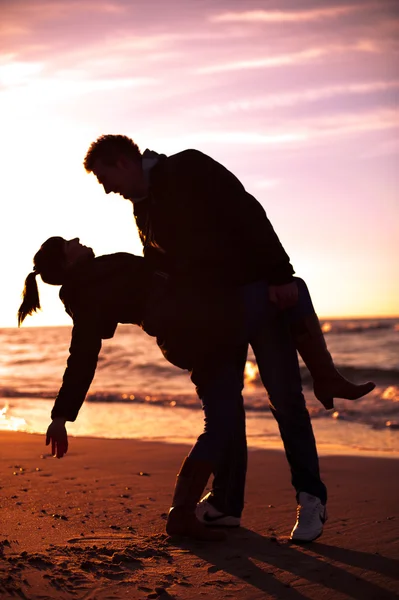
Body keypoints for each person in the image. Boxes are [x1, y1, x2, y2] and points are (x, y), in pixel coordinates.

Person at [82, 135, 375, 542]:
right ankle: (227, 506)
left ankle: (311, 499)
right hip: (215, 319)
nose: (106, 188)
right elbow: (164, 270)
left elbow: (246, 209)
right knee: (226, 410)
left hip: (257, 294)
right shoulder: (142, 209)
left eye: (104, 177)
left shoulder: (186, 167)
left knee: (286, 400)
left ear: (124, 162)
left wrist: (279, 272)